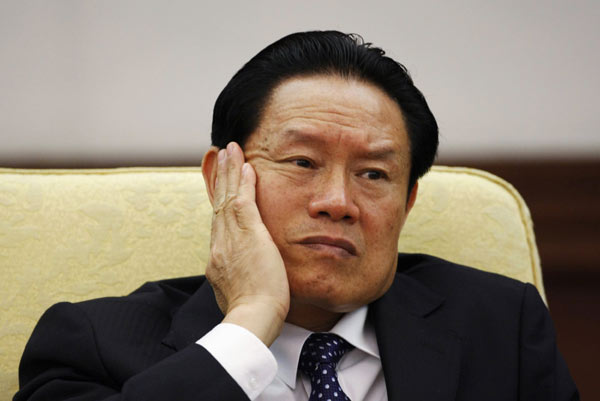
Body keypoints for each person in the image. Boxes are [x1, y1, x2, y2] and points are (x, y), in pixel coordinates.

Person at [15, 31, 578, 400]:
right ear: (222, 178)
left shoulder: (500, 327)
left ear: (407, 204)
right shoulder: (93, 343)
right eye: (302, 162)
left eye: (373, 174)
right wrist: (251, 321)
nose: (337, 201)